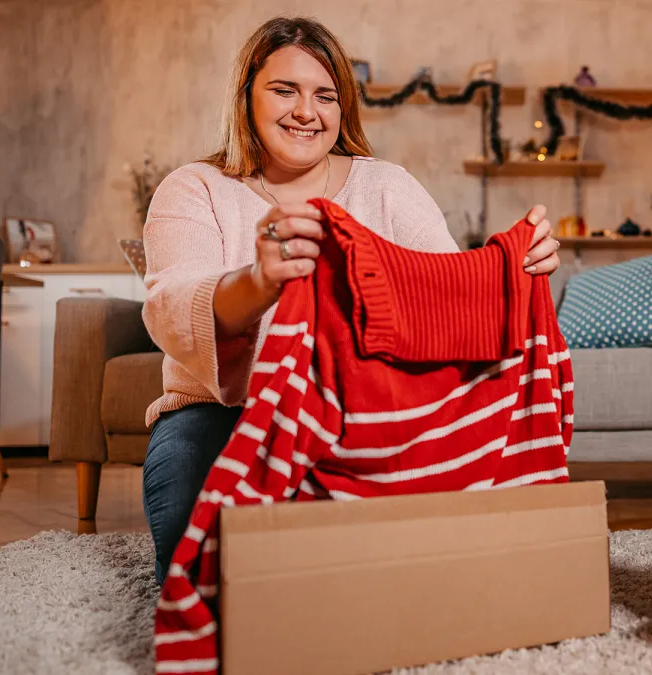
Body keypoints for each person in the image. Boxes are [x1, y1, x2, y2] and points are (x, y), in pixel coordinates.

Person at [140, 16, 561, 584]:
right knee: (202, 564)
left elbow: (443, 288)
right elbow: (173, 305)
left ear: (344, 109)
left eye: (326, 96)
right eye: (284, 90)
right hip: (220, 416)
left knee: (409, 560)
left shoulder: (387, 186)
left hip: (369, 417)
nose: (306, 112)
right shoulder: (194, 189)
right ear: (245, 98)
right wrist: (260, 281)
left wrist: (513, 268)